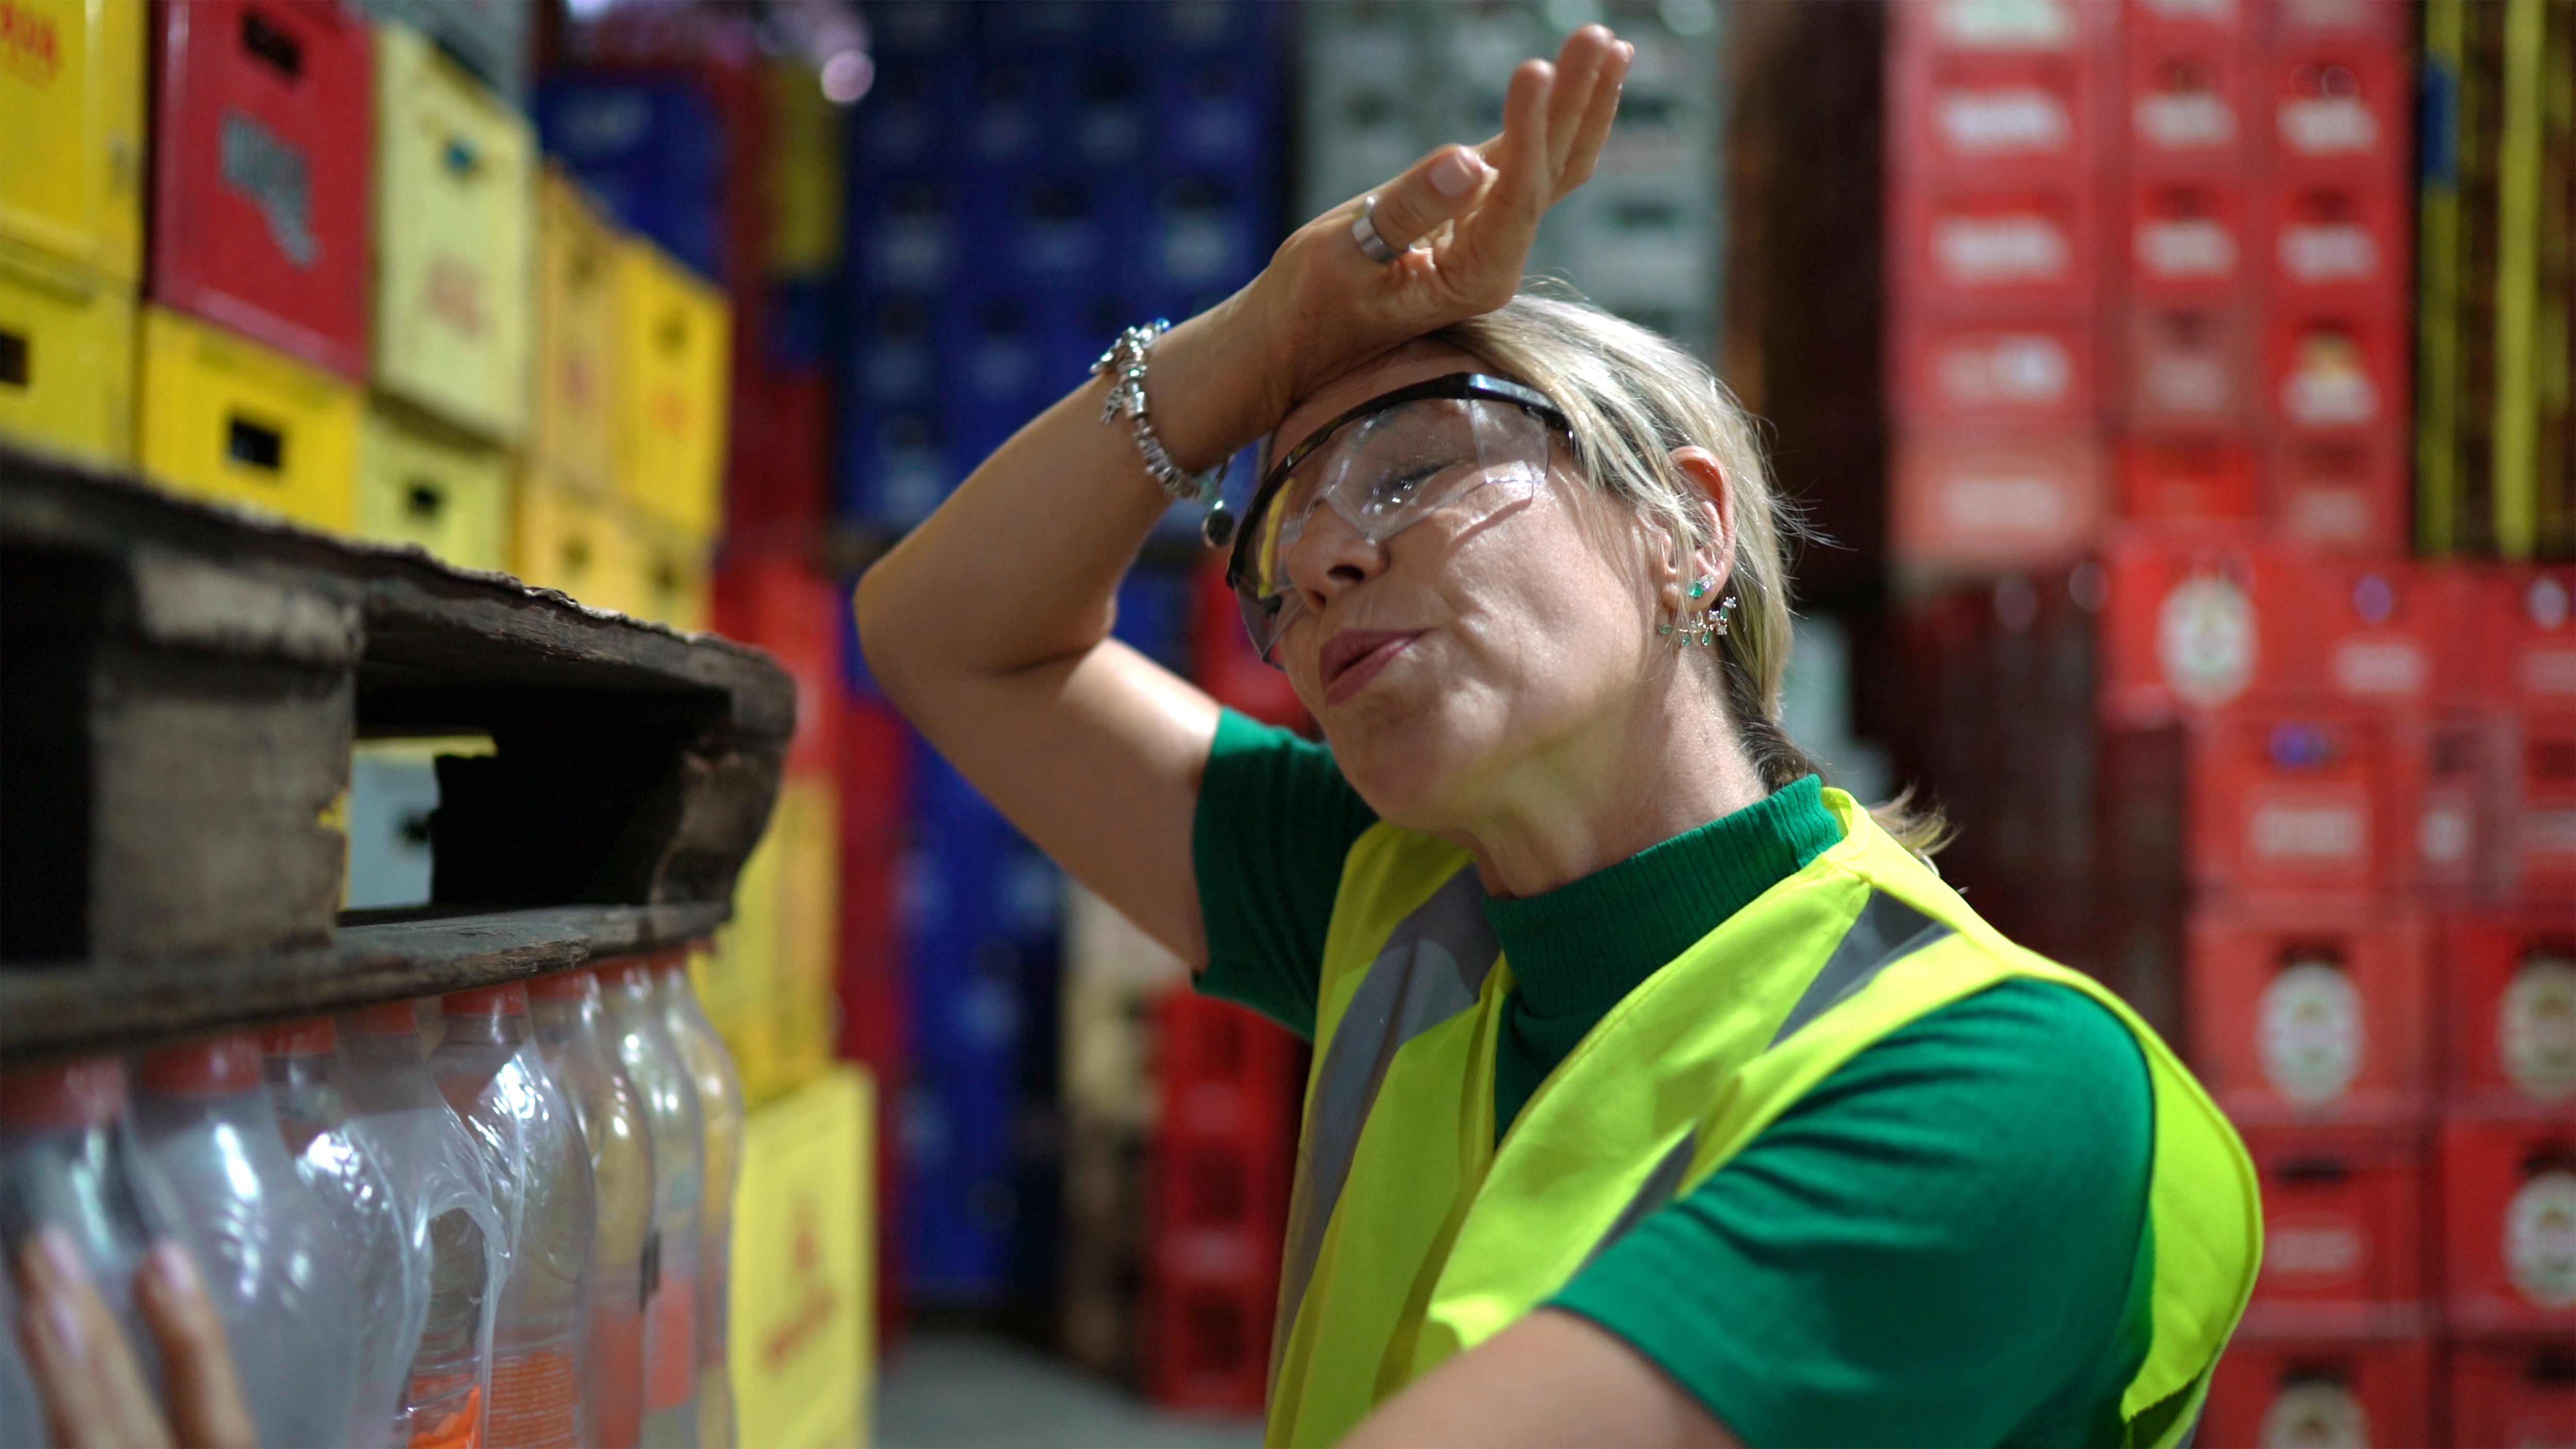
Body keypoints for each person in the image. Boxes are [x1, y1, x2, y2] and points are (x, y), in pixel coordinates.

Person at [856, 22, 2259, 1449]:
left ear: (1685, 530)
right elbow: (942, 632)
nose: (1329, 555)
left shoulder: (1993, 1083)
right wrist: (1264, 340)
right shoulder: (1394, 907)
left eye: (1412, 469)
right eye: (1285, 538)